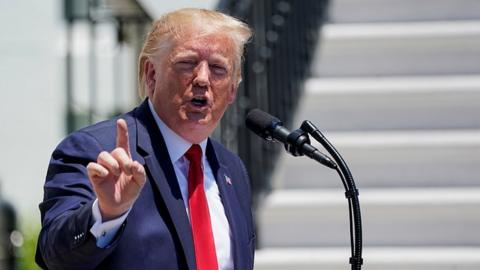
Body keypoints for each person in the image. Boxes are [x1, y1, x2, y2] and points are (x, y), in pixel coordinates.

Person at [36, 8, 254, 270]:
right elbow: (54, 257)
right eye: (187, 62)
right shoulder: (96, 151)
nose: (203, 79)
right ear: (151, 75)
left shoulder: (233, 169)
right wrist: (106, 213)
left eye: (218, 68)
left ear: (232, 90)